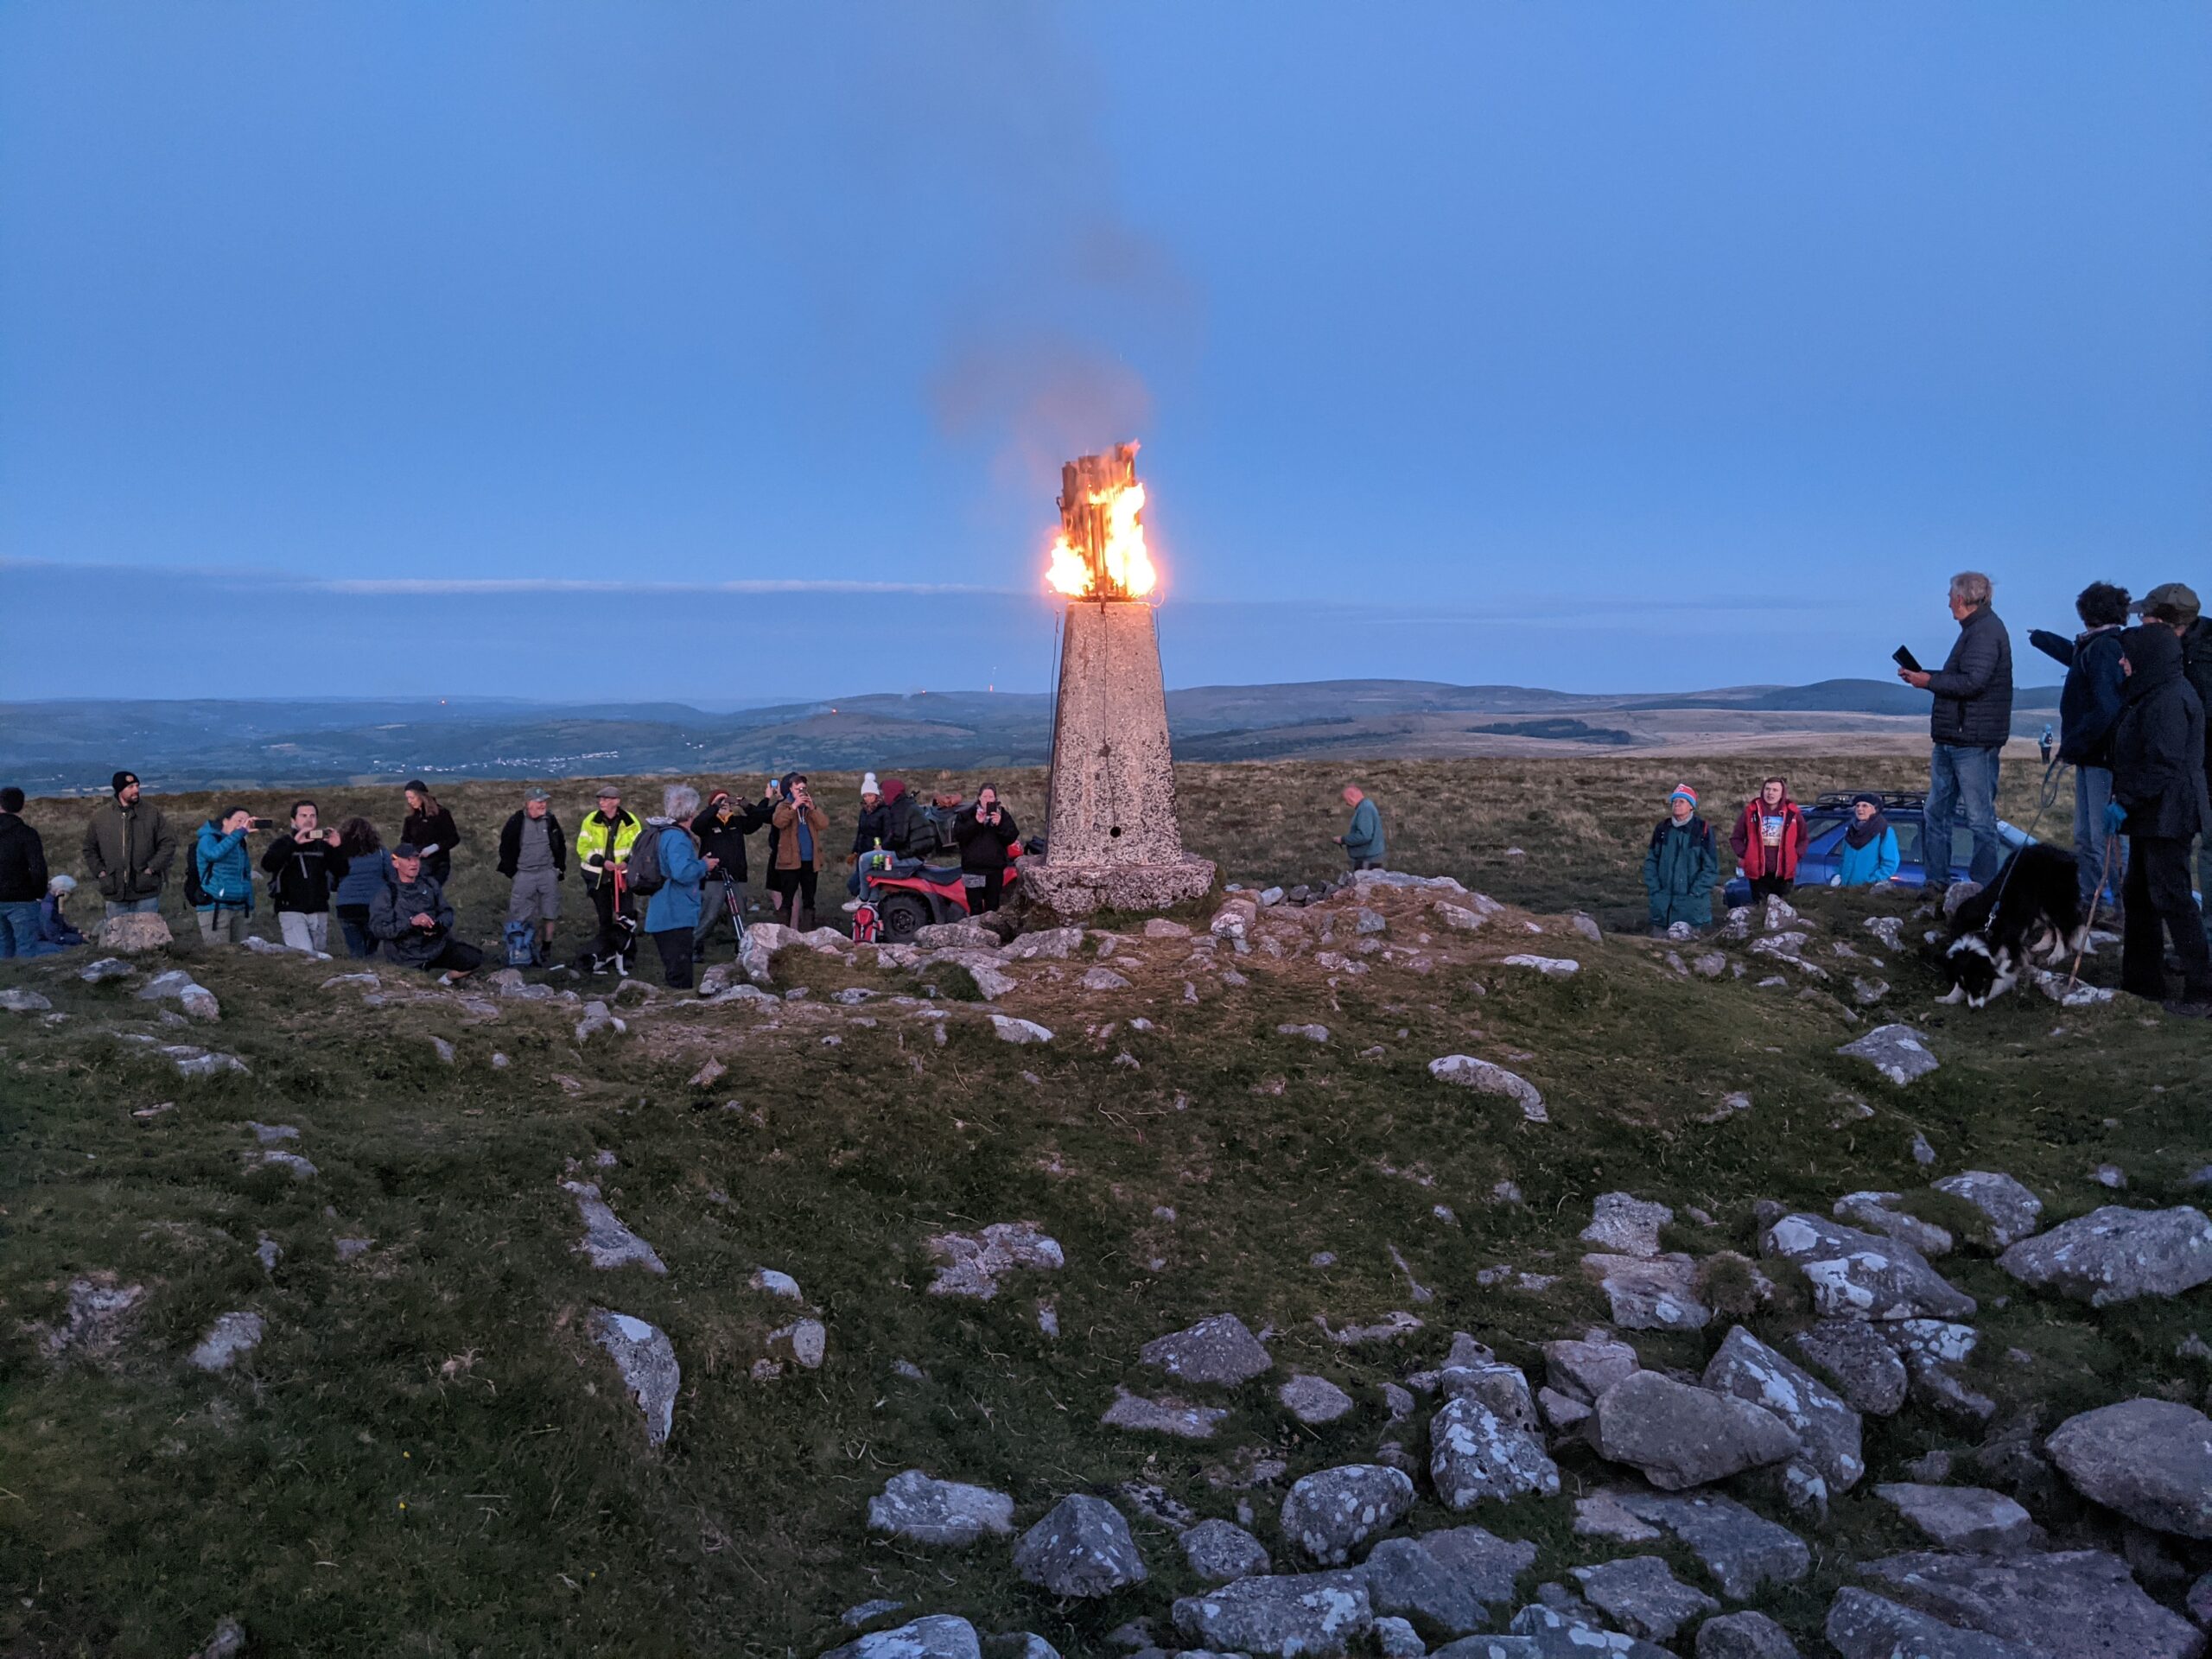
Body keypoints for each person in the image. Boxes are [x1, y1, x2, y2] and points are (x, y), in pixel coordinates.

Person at [2107, 622, 2212, 1015]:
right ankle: (2142, 982)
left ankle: (2203, 989)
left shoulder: (2169, 699)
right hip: (2154, 813)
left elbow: (2163, 762)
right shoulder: (2155, 692)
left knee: (2173, 898)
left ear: (2147, 657)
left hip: (2170, 813)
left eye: (2127, 655)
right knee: (2140, 895)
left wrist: (2125, 800)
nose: (2122, 662)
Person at [1899, 571, 2014, 886]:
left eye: (1951, 597)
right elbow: (1968, 676)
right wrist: (1925, 676)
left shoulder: (1984, 632)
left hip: (1971, 741)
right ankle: (1938, 883)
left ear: (1961, 599)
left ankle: (1981, 888)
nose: (1948, 603)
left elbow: (1974, 682)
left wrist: (1929, 681)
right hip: (1957, 737)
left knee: (1979, 820)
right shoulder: (1978, 629)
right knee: (1937, 813)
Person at [2030, 582, 2132, 911]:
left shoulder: (2103, 648)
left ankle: (2114, 906)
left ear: (2087, 612)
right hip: (2092, 755)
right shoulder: (2099, 645)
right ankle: (2094, 900)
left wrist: (2072, 744)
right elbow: (2077, 661)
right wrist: (2044, 640)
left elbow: (2106, 707)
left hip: (2100, 756)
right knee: (2089, 835)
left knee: (2102, 838)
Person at [2135, 583, 2212, 930]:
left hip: (2197, 770)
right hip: (2188, 772)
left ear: (2169, 624)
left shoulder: (2196, 659)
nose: (2141, 622)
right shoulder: (2180, 649)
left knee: (2207, 857)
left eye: (2145, 616)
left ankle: (2203, 954)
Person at [369, 842, 482, 981]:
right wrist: (411, 923)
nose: (414, 863)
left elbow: (447, 912)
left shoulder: (430, 884)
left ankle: (445, 981)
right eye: (408, 859)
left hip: (436, 948)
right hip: (405, 956)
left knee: (474, 958)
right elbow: (379, 929)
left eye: (416, 859)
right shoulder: (387, 892)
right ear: (396, 863)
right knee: (411, 983)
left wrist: (437, 925)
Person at [642, 785, 713, 990]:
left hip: (664, 912)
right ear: (691, 812)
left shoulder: (663, 833)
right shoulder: (677, 838)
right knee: (680, 973)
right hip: (675, 913)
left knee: (675, 968)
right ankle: (679, 1010)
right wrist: (703, 865)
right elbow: (682, 873)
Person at [82, 770, 176, 918]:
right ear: (120, 790)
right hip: (114, 891)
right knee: (118, 938)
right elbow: (89, 848)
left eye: (137, 785)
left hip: (146, 889)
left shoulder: (152, 813)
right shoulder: (100, 817)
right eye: (131, 787)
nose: (136, 790)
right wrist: (100, 871)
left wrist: (152, 868)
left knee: (148, 938)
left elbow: (168, 843)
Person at [260, 798, 347, 955]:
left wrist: (337, 848)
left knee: (318, 954)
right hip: (290, 908)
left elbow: (342, 871)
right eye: (303, 816)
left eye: (312, 816)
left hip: (319, 908)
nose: (308, 820)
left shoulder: (323, 845)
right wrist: (294, 844)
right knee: (304, 954)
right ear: (294, 820)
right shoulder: (284, 842)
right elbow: (268, 864)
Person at [693, 787, 771, 954]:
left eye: (727, 800)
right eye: (720, 801)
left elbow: (758, 819)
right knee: (709, 915)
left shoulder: (737, 822)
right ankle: (694, 945)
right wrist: (714, 807)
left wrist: (745, 804)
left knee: (740, 914)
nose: (724, 804)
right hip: (714, 876)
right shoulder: (708, 823)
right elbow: (696, 826)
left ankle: (742, 947)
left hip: (737, 875)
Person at [574, 785, 642, 974]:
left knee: (626, 917)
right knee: (605, 919)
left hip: (623, 878)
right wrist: (602, 862)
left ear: (616, 801)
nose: (601, 802)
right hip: (599, 879)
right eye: (600, 799)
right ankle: (605, 954)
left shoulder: (631, 821)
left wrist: (627, 863)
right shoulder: (590, 821)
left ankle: (628, 956)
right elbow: (582, 848)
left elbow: (638, 847)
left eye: (605, 799)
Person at [497, 789, 569, 961]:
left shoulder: (550, 820)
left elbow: (561, 844)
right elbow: (505, 847)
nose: (543, 804)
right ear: (528, 803)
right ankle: (520, 949)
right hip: (524, 874)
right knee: (520, 913)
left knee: (549, 912)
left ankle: (546, 948)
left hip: (547, 873)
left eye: (544, 801)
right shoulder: (516, 822)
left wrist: (559, 869)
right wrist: (514, 873)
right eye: (539, 801)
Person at [1642, 784, 1717, 934]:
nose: (1676, 805)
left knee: (1689, 951)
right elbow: (1651, 861)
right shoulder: (1662, 829)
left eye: (1681, 801)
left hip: (1692, 907)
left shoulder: (1702, 830)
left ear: (1691, 806)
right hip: (1663, 905)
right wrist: (1655, 890)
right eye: (1674, 801)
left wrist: (1695, 893)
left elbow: (1710, 868)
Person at [1730, 777, 1808, 904]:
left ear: (1782, 793)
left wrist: (1796, 854)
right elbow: (1736, 838)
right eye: (1767, 789)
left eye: (1775, 790)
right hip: (1758, 873)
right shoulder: (1751, 812)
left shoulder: (1793, 813)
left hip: (1784, 873)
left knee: (1783, 909)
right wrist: (1746, 854)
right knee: (1761, 908)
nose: (1770, 793)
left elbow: (1803, 838)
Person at [769, 775, 830, 930]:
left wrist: (812, 809)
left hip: (810, 860)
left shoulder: (811, 806)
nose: (801, 792)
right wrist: (794, 806)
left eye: (803, 788)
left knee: (809, 900)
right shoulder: (783, 805)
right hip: (790, 861)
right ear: (791, 789)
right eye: (797, 789)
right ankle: (784, 932)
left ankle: (808, 932)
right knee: (787, 899)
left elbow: (823, 824)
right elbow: (778, 822)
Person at [193, 806, 258, 944]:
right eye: (239, 820)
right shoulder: (208, 838)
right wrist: (239, 833)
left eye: (246, 821)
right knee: (220, 957)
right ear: (225, 821)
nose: (243, 824)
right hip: (215, 907)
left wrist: (250, 904)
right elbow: (214, 854)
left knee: (241, 957)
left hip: (240, 907)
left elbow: (245, 874)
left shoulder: (239, 843)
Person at [332, 818, 393, 959]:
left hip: (346, 906)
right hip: (374, 906)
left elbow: (332, 879)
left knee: (355, 949)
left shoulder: (338, 853)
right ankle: (370, 973)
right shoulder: (381, 852)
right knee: (370, 949)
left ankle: (357, 975)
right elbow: (391, 875)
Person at [954, 784, 1020, 913]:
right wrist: (976, 822)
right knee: (975, 908)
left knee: (992, 908)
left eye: (991, 797)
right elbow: (959, 836)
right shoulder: (966, 815)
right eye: (985, 796)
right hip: (973, 870)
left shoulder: (1002, 815)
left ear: (995, 799)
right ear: (979, 798)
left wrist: (1000, 824)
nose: (988, 800)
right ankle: (976, 933)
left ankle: (991, 933)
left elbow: (1011, 836)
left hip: (994, 871)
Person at [0, 785, 49, 958]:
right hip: (23, 899)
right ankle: (25, 985)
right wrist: (39, 893)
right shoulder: (27, 834)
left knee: (3, 949)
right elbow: (38, 868)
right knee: (26, 949)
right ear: (22, 805)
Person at [1831, 793, 1902, 887]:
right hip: (1846, 890)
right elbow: (1844, 859)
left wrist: (1871, 882)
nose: (1860, 809)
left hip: (1868, 891)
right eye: (1857, 806)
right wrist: (1839, 875)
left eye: (1865, 806)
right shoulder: (1851, 831)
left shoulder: (1884, 831)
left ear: (1875, 809)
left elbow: (1890, 864)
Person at [400, 781, 461, 887]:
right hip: (418, 864)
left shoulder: (441, 814)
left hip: (438, 864)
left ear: (422, 796)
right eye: (407, 798)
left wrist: (435, 847)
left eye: (412, 798)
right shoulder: (411, 819)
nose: (409, 801)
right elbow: (405, 841)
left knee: (430, 892)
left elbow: (453, 838)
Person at [846, 772, 890, 910]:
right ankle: (865, 903)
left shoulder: (884, 812)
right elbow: (860, 832)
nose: (867, 798)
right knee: (856, 882)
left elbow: (888, 832)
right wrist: (854, 851)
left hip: (877, 852)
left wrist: (883, 847)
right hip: (862, 852)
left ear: (876, 795)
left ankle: (873, 904)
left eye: (870, 795)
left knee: (875, 879)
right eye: (865, 796)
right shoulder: (863, 812)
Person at [1336, 785, 1385, 871]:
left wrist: (1342, 840)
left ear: (1351, 798)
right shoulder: (1367, 805)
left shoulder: (1365, 809)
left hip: (1368, 860)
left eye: (1346, 800)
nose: (1346, 803)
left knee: (1367, 884)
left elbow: (1364, 836)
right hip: (1370, 857)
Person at [36, 874, 86, 953]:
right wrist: (80, 939)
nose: (70, 897)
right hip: (42, 942)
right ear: (60, 892)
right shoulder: (49, 908)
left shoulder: (50, 903)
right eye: (69, 893)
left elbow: (60, 926)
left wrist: (76, 931)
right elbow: (54, 937)